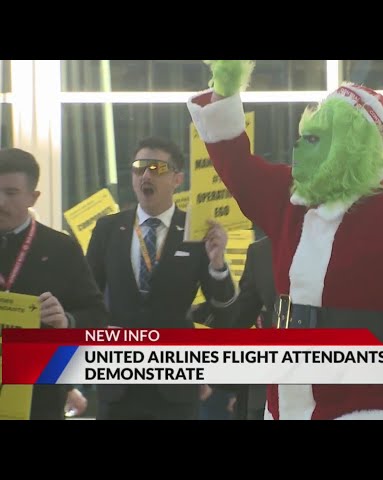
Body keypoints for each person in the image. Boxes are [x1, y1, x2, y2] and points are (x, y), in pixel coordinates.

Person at [186, 60, 383, 420]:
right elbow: (236, 165)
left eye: (313, 139)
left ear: (349, 146)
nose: (299, 148)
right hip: (289, 398)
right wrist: (226, 86)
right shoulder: (290, 198)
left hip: (371, 402)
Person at [86, 136, 237, 420]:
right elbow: (88, 297)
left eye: (156, 168)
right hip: (118, 379)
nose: (145, 175)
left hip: (176, 382)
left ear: (177, 179)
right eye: (138, 167)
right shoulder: (108, 229)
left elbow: (223, 310)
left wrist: (218, 263)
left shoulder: (196, 230)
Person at [0, 147, 109, 420]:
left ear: (33, 197)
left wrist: (66, 320)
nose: (0, 202)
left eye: (11, 193)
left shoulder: (61, 248)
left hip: (40, 397)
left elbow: (96, 315)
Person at [214, 235, 276, 420]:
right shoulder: (261, 251)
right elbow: (239, 318)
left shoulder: (350, 241)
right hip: (268, 391)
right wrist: (217, 269)